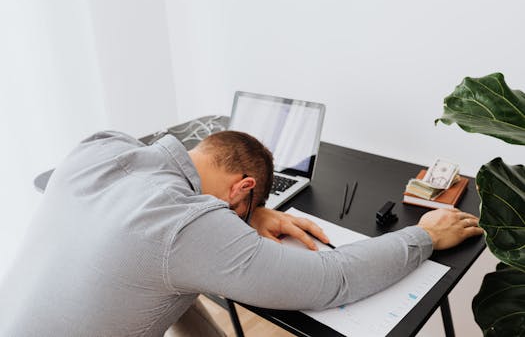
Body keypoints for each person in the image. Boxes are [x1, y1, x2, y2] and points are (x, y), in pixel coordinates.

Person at [0, 130, 483, 337]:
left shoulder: (99, 148)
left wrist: (246, 215)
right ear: (244, 187)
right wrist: (424, 236)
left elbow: (157, 242)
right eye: (247, 204)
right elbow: (329, 280)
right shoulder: (182, 227)